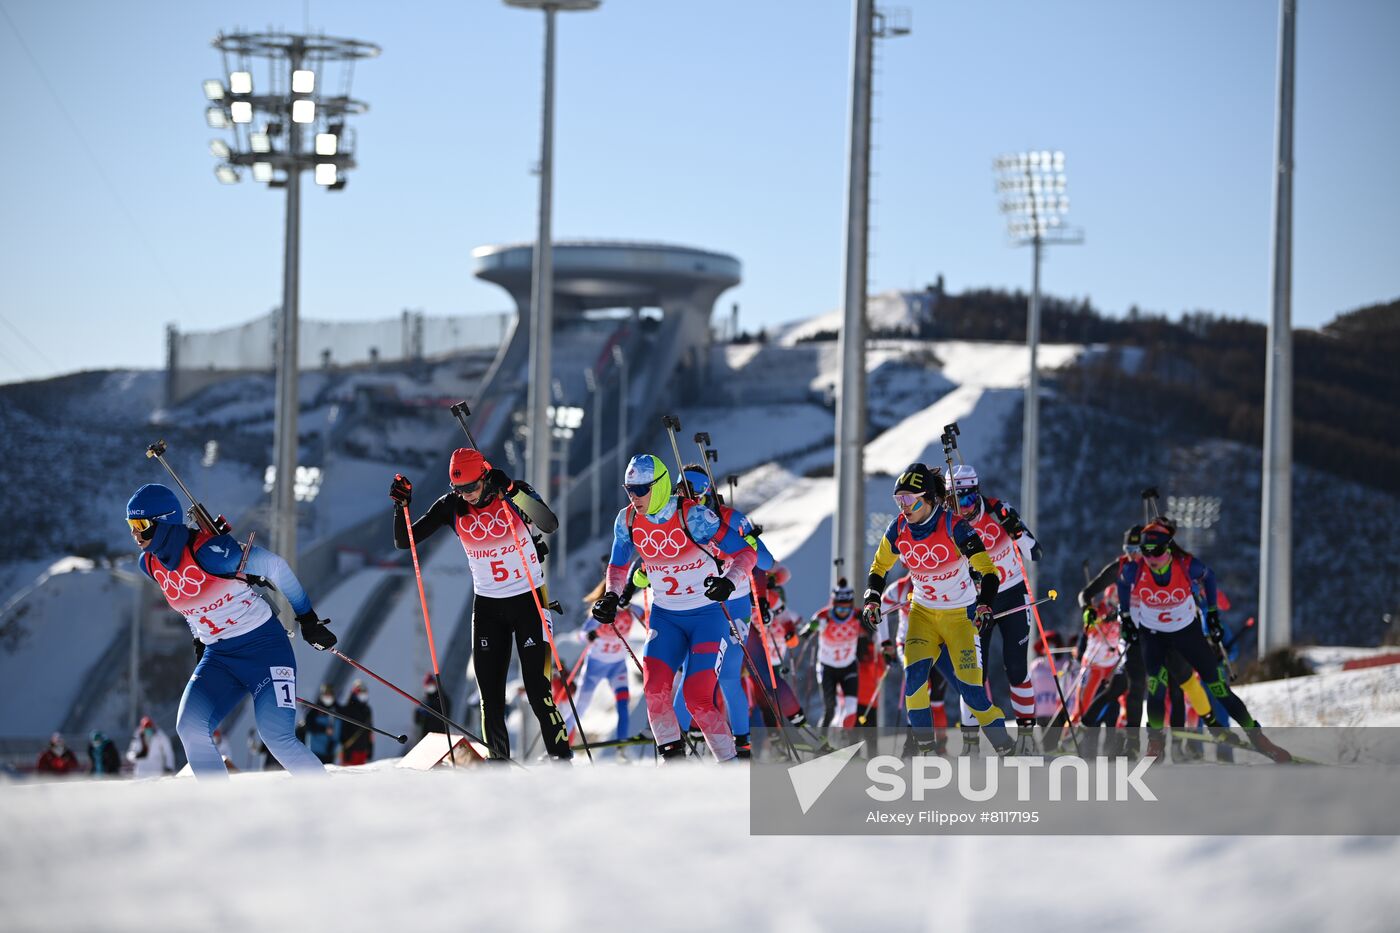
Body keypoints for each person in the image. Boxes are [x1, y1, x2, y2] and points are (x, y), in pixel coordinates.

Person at [126, 483, 331, 779]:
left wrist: (307, 619)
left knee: (277, 738)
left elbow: (275, 566)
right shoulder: (149, 564)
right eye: (131, 525)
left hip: (265, 651)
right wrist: (200, 639)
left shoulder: (211, 553)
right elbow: (190, 604)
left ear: (165, 522)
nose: (135, 534)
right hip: (219, 657)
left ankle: (330, 798)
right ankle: (220, 803)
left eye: (142, 525)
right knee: (190, 728)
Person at [390, 449, 570, 762]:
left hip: (528, 600)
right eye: (459, 489)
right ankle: (499, 765)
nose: (467, 495)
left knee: (537, 690)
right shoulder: (451, 506)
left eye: (471, 487)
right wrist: (401, 507)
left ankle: (560, 758)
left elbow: (549, 523)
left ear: (485, 477)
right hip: (488, 607)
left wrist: (512, 490)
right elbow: (405, 541)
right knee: (490, 697)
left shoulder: (513, 492)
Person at [592, 454, 758, 762]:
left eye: (641, 489)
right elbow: (618, 565)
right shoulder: (627, 520)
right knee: (655, 691)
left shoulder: (693, 516)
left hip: (707, 617)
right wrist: (612, 596)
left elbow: (746, 554)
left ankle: (731, 766)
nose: (633, 496)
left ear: (659, 486)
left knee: (698, 698)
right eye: (629, 489)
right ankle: (673, 765)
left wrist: (729, 583)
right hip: (666, 618)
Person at [861, 463, 1014, 755]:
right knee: (914, 684)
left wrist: (984, 605)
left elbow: (989, 571)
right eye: (899, 499)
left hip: (960, 617)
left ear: (928, 498)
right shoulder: (898, 528)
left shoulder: (955, 526)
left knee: (972, 694)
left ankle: (1006, 747)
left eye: (909, 499)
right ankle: (926, 751)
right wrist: (872, 598)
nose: (903, 506)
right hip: (923, 615)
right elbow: (879, 567)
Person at [1115, 521, 1291, 762]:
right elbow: (1122, 583)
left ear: (1168, 548)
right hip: (1154, 635)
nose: (1151, 558)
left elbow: (1209, 577)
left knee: (1218, 688)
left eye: (1157, 551)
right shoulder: (1135, 570)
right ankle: (1155, 742)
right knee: (1156, 687)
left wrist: (1213, 613)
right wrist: (1125, 616)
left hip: (1186, 633)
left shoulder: (1186, 565)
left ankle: (1257, 736)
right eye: (1146, 551)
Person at [947, 464, 1042, 753]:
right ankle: (971, 744)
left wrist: (1016, 530)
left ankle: (1026, 738)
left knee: (1017, 669)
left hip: (1012, 594)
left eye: (966, 499)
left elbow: (1035, 553)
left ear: (976, 493)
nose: (962, 508)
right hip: (977, 602)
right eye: (954, 501)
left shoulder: (999, 511)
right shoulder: (950, 525)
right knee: (973, 674)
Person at [562, 580, 639, 752]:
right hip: (594, 668)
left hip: (617, 667)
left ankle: (622, 748)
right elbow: (580, 636)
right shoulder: (602, 611)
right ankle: (562, 746)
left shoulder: (631, 609)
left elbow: (649, 616)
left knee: (623, 705)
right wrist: (588, 635)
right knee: (579, 709)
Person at [302, 684, 339, 764]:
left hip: (330, 752)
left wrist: (333, 743)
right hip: (314, 752)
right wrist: (323, 729)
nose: (328, 697)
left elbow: (338, 731)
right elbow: (309, 726)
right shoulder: (314, 709)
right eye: (326, 694)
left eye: (330, 694)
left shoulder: (336, 709)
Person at [339, 681, 374, 765]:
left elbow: (370, 731)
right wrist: (345, 748)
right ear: (354, 693)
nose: (363, 694)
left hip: (363, 751)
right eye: (360, 692)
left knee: (361, 772)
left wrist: (370, 748)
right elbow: (341, 730)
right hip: (350, 751)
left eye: (364, 692)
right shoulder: (347, 709)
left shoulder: (367, 710)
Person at [413, 674, 453, 745]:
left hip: (439, 735)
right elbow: (417, 721)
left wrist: (431, 713)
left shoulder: (442, 699)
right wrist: (419, 713)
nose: (430, 687)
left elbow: (446, 716)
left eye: (431, 685)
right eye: (428, 686)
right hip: (425, 737)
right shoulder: (424, 700)